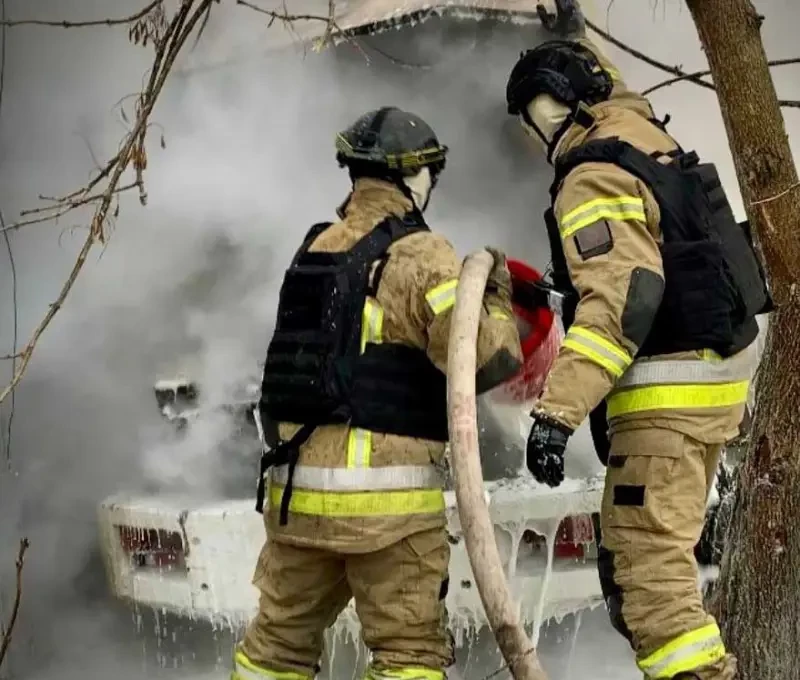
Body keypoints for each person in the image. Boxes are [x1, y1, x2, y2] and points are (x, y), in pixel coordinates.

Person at [504, 2, 770, 679]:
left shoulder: (592, 172)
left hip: (662, 407)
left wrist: (556, 415)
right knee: (651, 571)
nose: (543, 133)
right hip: (711, 392)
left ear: (569, 104)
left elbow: (628, 295)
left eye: (541, 114)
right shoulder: (652, 145)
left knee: (648, 582)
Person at [232, 106, 523, 680]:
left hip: (296, 504)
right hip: (386, 512)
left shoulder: (313, 248)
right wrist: (495, 295)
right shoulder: (423, 254)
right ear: (417, 177)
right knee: (409, 657)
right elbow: (485, 361)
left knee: (274, 652)